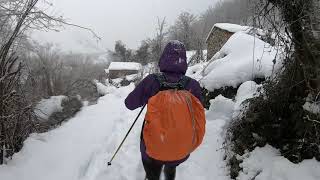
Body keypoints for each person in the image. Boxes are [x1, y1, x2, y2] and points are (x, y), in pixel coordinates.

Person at [125, 40, 204, 180]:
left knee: (152, 170)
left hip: (153, 148)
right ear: (184, 60)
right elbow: (198, 111)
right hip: (181, 147)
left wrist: (147, 94)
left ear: (163, 58)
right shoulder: (193, 85)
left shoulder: (152, 81)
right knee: (171, 162)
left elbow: (129, 104)